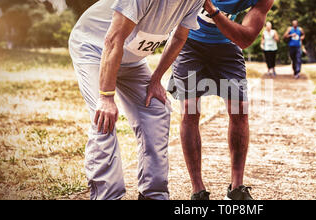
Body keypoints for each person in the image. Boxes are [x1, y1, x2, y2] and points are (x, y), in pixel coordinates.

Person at [68, 0, 205, 200]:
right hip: (95, 48)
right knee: (104, 119)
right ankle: (107, 196)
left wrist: (156, 79)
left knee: (157, 109)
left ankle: (153, 193)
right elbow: (113, 39)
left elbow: (179, 36)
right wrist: (106, 97)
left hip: (131, 58)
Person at [167, 0, 274, 200]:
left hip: (227, 45)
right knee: (190, 110)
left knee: (240, 109)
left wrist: (213, 10)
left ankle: (236, 188)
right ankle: (198, 190)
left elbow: (245, 38)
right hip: (188, 41)